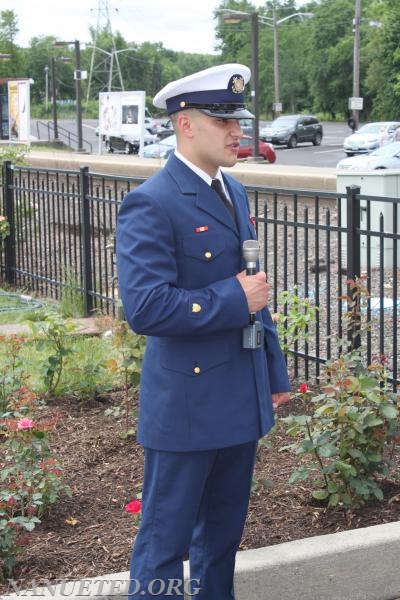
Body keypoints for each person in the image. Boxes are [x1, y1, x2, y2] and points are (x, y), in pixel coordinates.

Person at [116, 63, 291, 599]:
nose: (239, 131)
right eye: (224, 121)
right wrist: (233, 297)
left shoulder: (232, 191)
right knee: (164, 543)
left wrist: (275, 370)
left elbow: (253, 285)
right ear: (186, 124)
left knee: (222, 539)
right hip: (188, 404)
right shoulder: (153, 201)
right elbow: (145, 307)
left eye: (238, 119)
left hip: (239, 394)